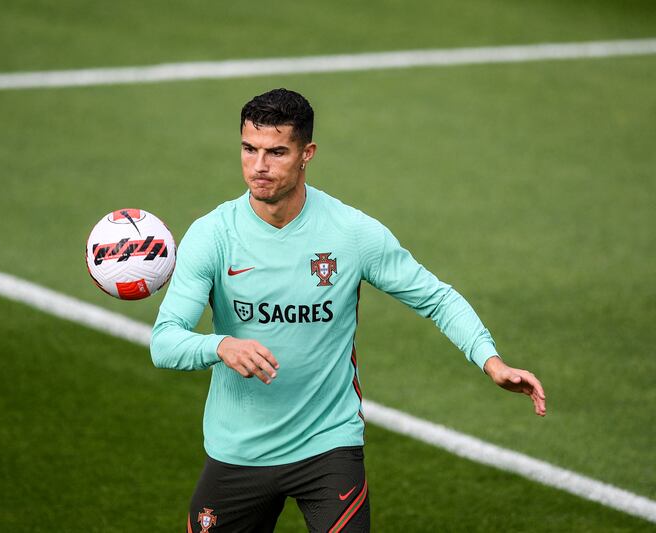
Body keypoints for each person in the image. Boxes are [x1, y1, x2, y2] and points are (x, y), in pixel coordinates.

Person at [150, 88, 546, 532]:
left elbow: (436, 297)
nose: (259, 166)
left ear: (307, 153)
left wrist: (490, 360)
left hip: (327, 445)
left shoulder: (350, 233)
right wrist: (220, 345)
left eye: (277, 152)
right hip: (239, 449)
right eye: (249, 149)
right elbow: (164, 342)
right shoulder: (213, 235)